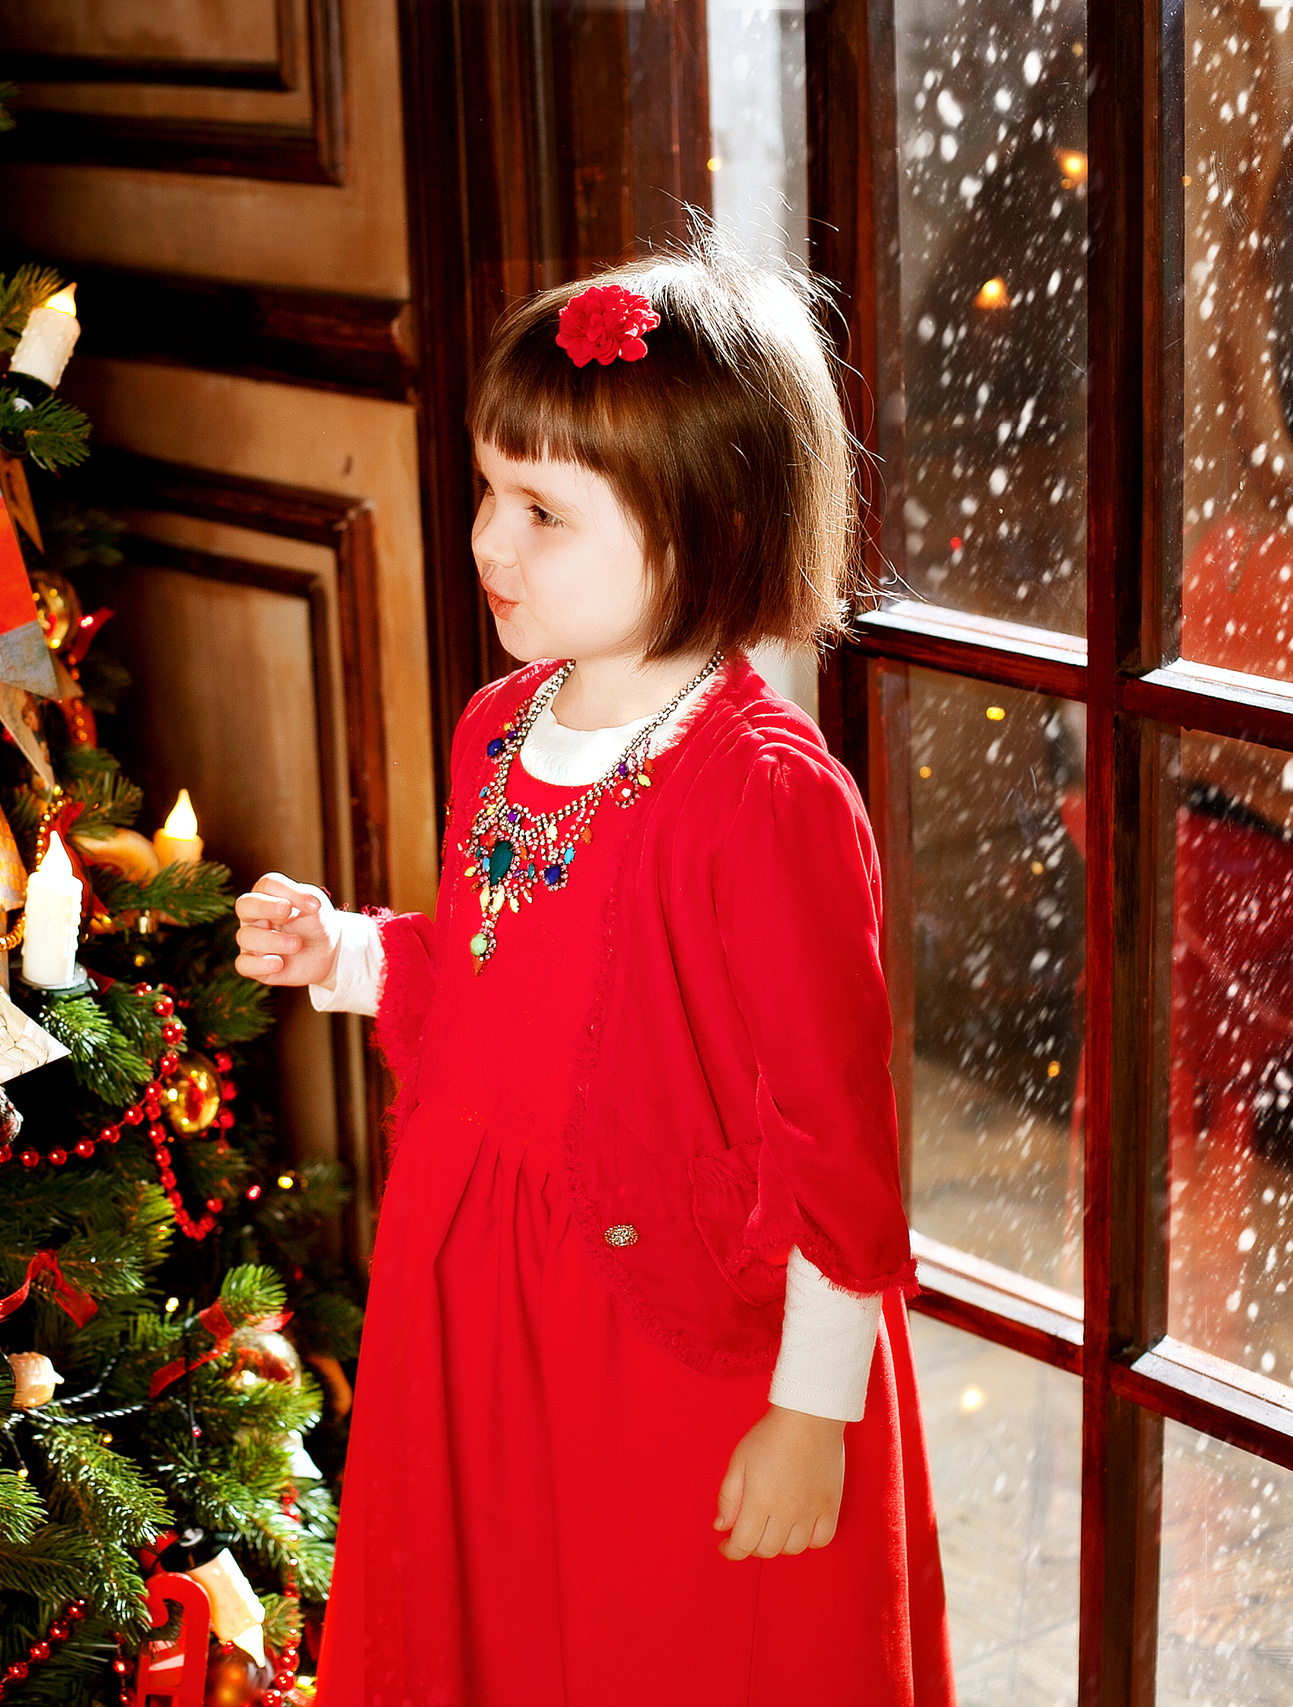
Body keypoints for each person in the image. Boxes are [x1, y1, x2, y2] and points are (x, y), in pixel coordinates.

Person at [236, 250, 952, 1706]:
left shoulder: (764, 798)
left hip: (670, 1340)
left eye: (546, 512)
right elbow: (501, 981)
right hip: (483, 1300)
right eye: (491, 489)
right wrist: (352, 953)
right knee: (509, 1631)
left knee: (666, 1643)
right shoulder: (500, 727)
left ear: (711, 526)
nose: (491, 540)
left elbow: (835, 1138)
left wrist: (812, 1410)